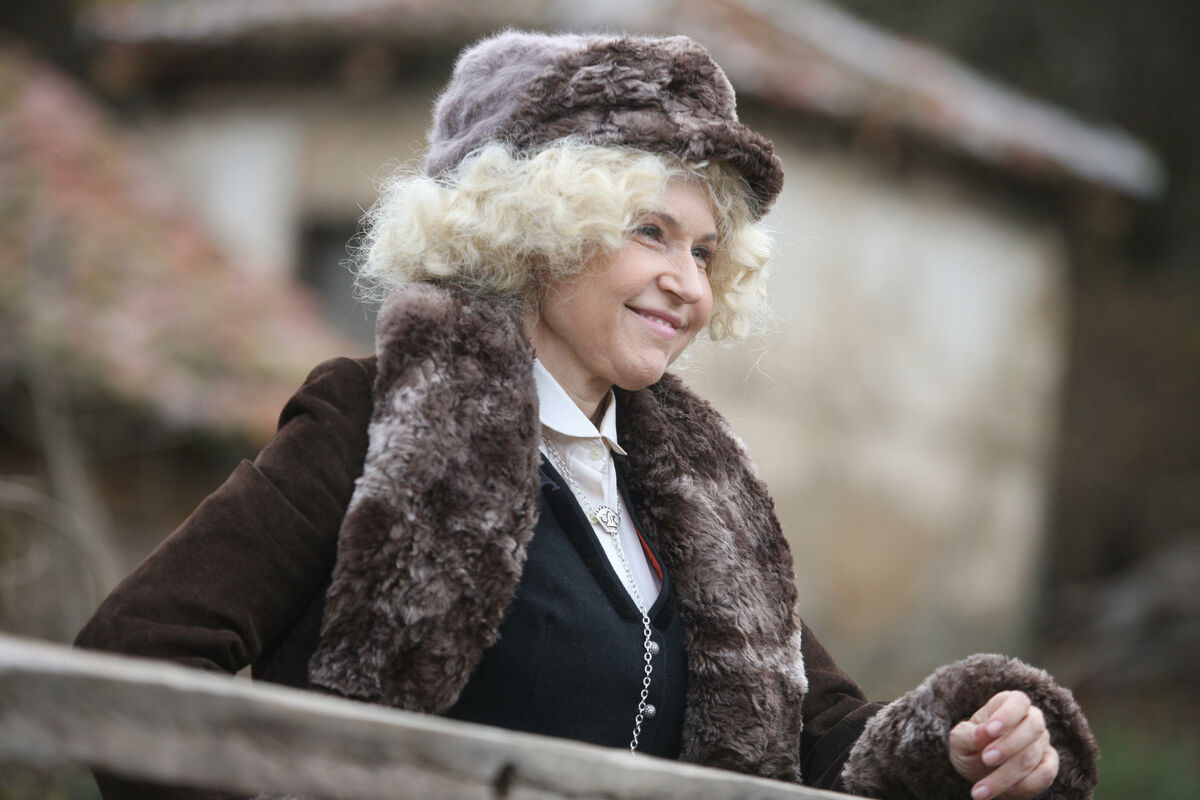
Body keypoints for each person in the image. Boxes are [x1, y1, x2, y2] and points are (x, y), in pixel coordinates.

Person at [75, 31, 1098, 800]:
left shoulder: (703, 494)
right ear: (535, 225)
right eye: (649, 231)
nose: (687, 282)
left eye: (705, 251)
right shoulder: (379, 420)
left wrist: (966, 739)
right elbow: (135, 655)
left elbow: (822, 740)